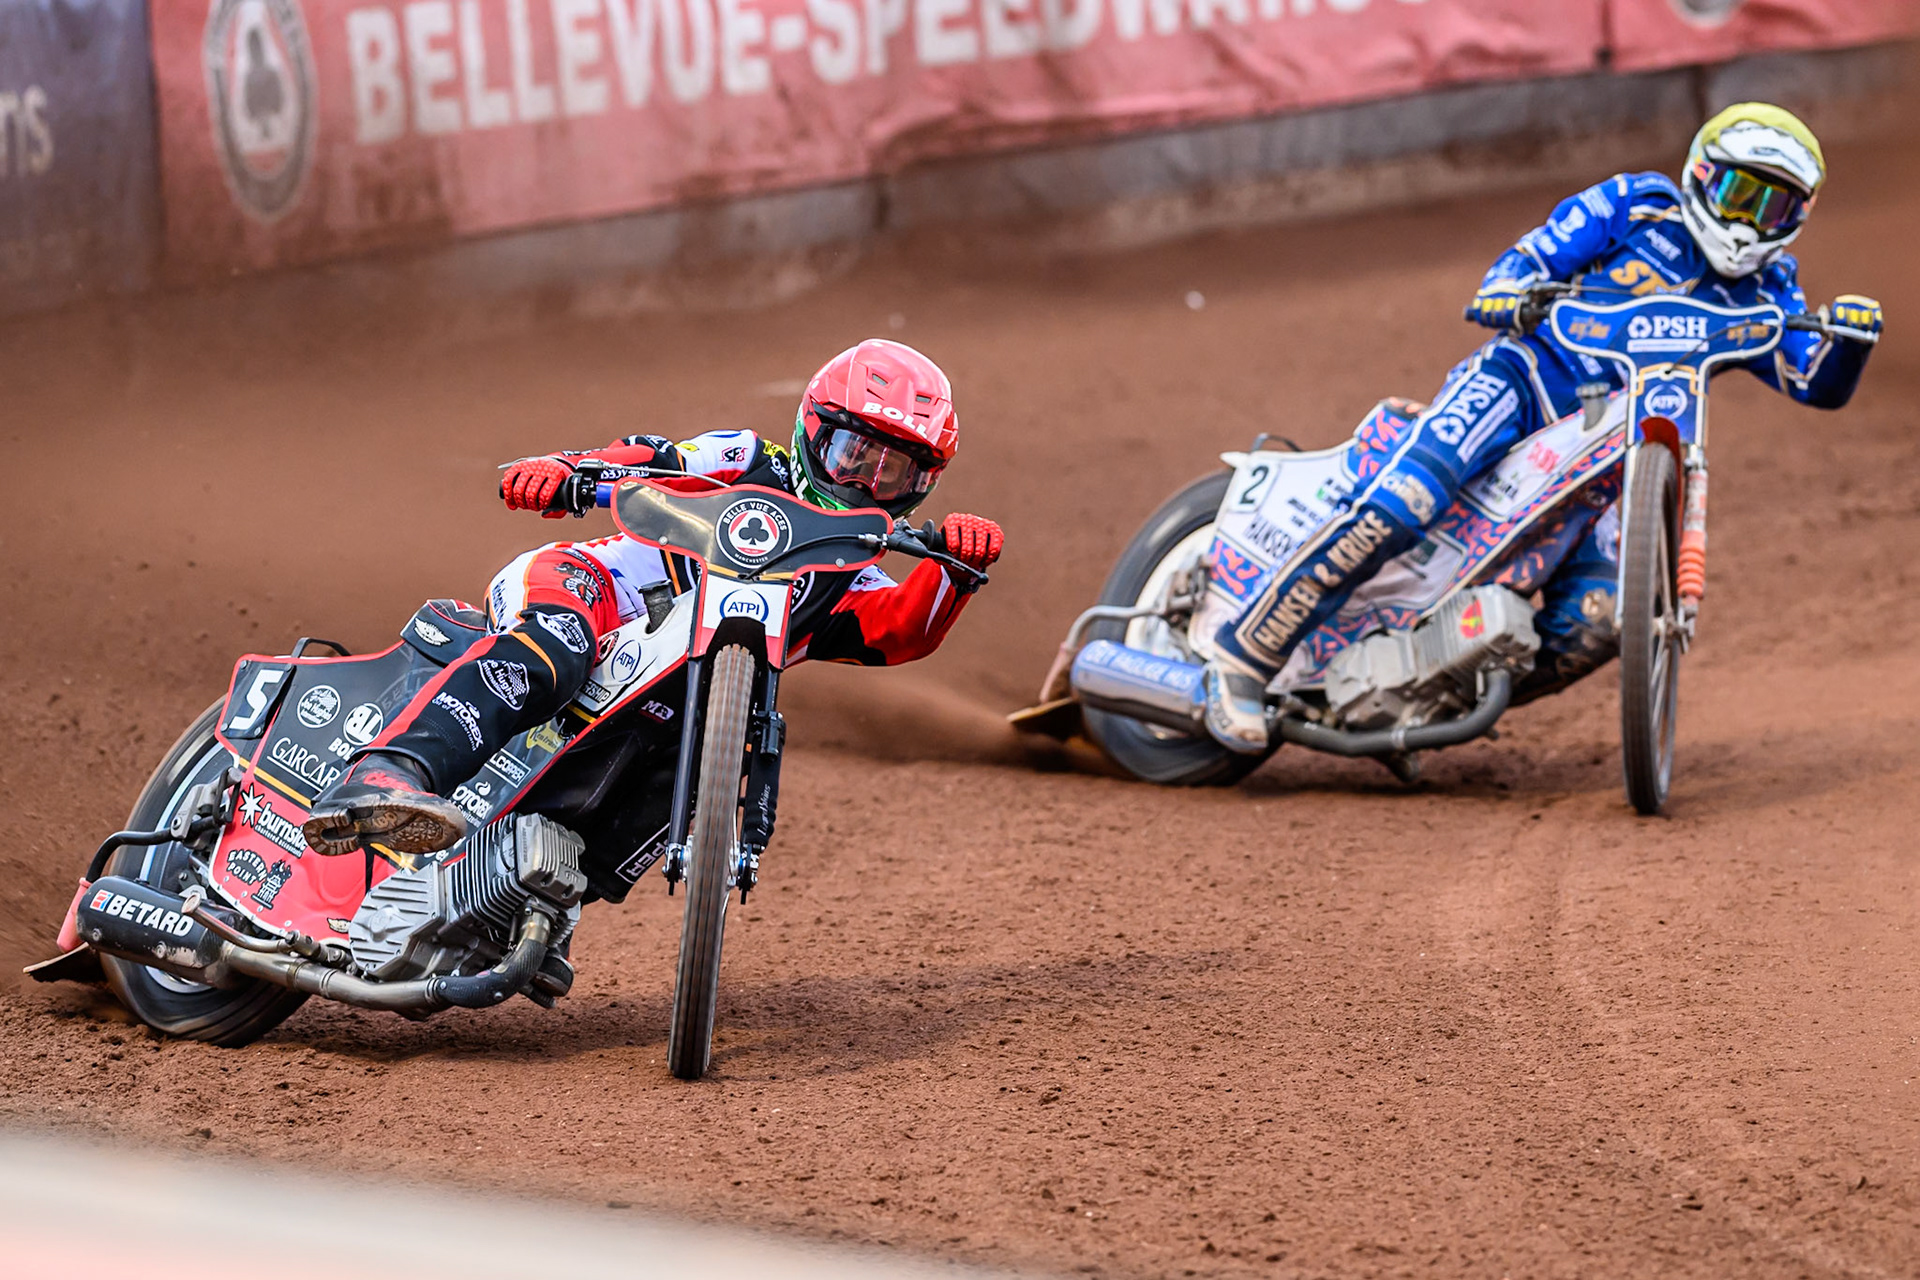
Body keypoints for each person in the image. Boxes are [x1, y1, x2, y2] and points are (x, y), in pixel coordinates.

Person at [1200, 102, 1885, 751]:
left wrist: (1851, 341)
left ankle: (1429, 699)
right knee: (1405, 503)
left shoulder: (1769, 290)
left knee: (1600, 620)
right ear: (1702, 177)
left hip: (1623, 460)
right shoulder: (1636, 204)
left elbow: (1815, 381)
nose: (1751, 223)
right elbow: (1528, 259)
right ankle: (1243, 656)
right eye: (1742, 196)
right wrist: (1512, 288)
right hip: (1524, 385)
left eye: (1777, 207)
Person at [301, 339, 1004, 856]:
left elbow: (901, 633)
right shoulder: (747, 458)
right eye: (855, 453)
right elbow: (655, 458)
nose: (863, 481)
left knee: (680, 764)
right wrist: (569, 472)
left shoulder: (857, 572)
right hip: (590, 589)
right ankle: (386, 771)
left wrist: (956, 569)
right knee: (555, 650)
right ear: (813, 431)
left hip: (681, 686)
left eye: (892, 472)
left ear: (922, 484)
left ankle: (535, 903)